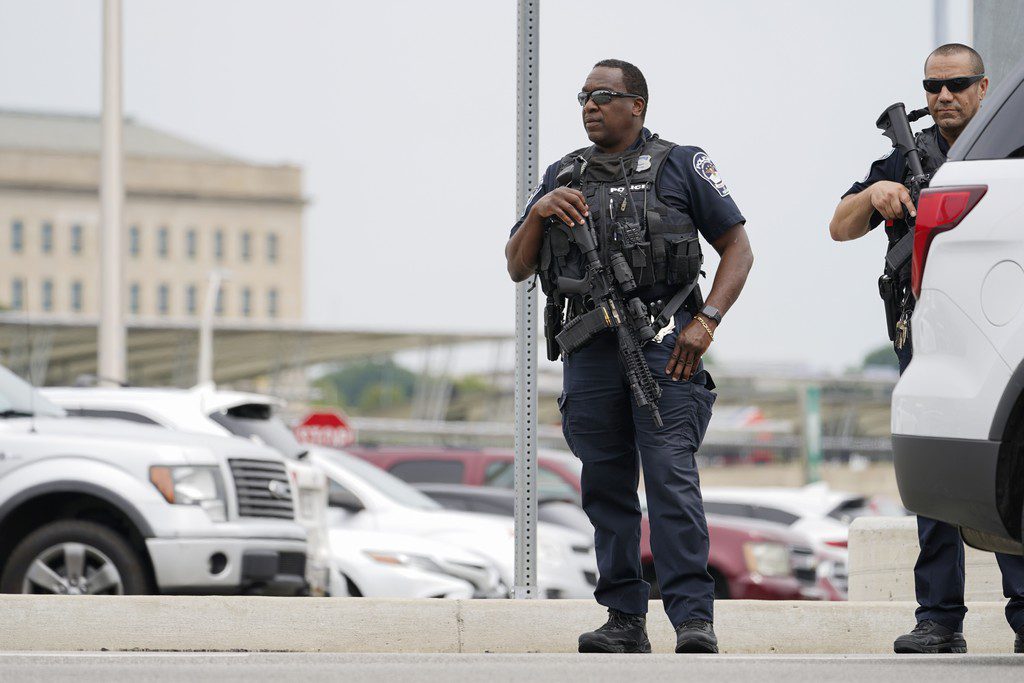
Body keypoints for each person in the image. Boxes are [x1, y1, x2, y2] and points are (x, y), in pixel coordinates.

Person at [505, 58, 753, 654]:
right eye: (584, 96)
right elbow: (517, 264)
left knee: (672, 483)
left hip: (667, 350)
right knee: (606, 490)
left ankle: (693, 619)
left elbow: (738, 250)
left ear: (636, 105)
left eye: (603, 95)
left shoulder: (683, 165)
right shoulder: (563, 174)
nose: (590, 105)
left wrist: (707, 321)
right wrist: (540, 212)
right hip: (590, 354)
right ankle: (623, 618)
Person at [830, 43, 1024, 655]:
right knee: (940, 486)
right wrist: (877, 194)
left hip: (999, 334)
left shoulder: (1004, 156)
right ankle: (939, 619)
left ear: (985, 87)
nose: (943, 97)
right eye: (933, 87)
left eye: (958, 84)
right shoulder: (901, 158)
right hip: (930, 341)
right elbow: (839, 224)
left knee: (1012, 478)